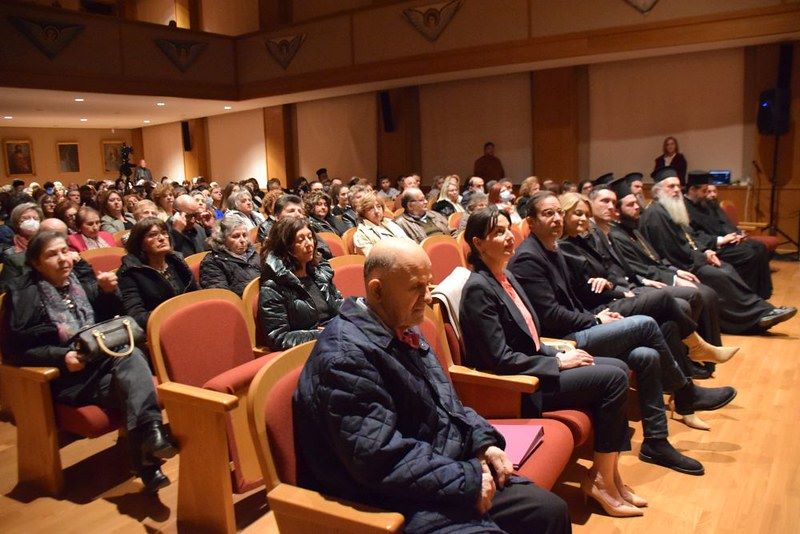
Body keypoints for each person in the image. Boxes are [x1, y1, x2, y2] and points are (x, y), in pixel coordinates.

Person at [293, 238, 571, 533]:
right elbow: (378, 459)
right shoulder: (344, 358)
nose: (428, 297)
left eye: (429, 284)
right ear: (377, 290)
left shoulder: (402, 326)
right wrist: (467, 479)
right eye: (416, 287)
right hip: (390, 501)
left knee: (549, 512)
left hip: (438, 470)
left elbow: (448, 404)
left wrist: (483, 442)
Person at [508, 191, 735, 473]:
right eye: (547, 214)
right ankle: (685, 392)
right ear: (531, 222)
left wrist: (600, 310)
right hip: (563, 342)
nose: (556, 219)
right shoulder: (529, 259)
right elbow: (550, 316)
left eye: (558, 212)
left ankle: (656, 442)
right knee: (646, 323)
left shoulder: (551, 248)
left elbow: (575, 296)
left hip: (580, 325)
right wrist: (595, 320)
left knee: (646, 354)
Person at [461, 207, 644, 517]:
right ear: (478, 244)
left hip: (536, 365)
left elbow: (530, 339)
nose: (509, 237)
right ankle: (601, 481)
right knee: (612, 379)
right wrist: (557, 363)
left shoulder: (506, 276)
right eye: (498, 233)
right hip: (521, 388)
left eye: (508, 230)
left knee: (616, 367)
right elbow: (499, 358)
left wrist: (557, 354)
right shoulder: (479, 288)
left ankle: (610, 475)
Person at [2, 230, 177, 493]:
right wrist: (61, 356)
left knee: (131, 357)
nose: (63, 259)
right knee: (133, 369)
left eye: (65, 251)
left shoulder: (79, 283)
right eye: (52, 254)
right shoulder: (24, 296)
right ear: (36, 263)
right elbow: (15, 351)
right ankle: (150, 447)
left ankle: (149, 451)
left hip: (102, 365)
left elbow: (106, 323)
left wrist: (106, 293)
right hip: (69, 379)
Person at [557, 191, 737, 378]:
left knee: (673, 316)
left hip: (616, 293)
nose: (584, 219)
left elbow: (607, 272)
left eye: (586, 215)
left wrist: (613, 284)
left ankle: (684, 376)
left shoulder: (582, 240)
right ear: (564, 214)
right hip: (600, 307)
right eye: (578, 214)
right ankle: (696, 349)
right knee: (666, 298)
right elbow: (585, 289)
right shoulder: (565, 247)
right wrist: (620, 292)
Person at [640, 168, 795, 332]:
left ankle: (761, 311)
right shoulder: (655, 215)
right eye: (671, 186)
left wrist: (706, 251)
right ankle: (753, 318)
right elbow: (672, 252)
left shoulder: (669, 210)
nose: (677, 190)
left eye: (678, 186)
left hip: (691, 260)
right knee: (718, 274)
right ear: (657, 191)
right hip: (681, 267)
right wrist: (702, 257)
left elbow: (690, 238)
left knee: (727, 268)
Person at [684, 171, 772, 299]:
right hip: (710, 246)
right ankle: (745, 296)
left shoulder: (707, 203)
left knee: (760, 247)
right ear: (692, 189)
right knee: (749, 254)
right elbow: (693, 234)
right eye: (704, 191)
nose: (707, 194)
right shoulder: (683, 208)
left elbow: (724, 222)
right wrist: (720, 240)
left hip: (726, 241)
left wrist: (736, 234)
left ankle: (762, 295)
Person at [258, 217, 342, 350]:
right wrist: (319, 334)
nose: (309, 244)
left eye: (310, 237)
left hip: (336, 338)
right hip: (311, 350)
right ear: (286, 247)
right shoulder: (273, 286)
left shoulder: (319, 273)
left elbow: (338, 304)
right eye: (300, 240)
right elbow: (278, 337)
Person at [117, 217, 198, 330]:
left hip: (191, 320)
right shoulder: (129, 272)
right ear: (140, 244)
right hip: (161, 329)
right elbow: (137, 317)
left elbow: (196, 293)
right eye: (152, 235)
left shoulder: (176, 261)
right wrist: (177, 317)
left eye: (164, 233)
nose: (161, 238)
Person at [199, 215, 260, 297]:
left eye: (244, 235)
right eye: (236, 236)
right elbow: (222, 297)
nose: (242, 240)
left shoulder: (253, 253)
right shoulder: (212, 262)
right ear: (222, 239)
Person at [352, 191, 412, 255]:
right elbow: (373, 258)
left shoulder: (389, 222)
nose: (376, 211)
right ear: (363, 213)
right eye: (370, 208)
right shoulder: (361, 234)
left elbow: (409, 242)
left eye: (378, 206)